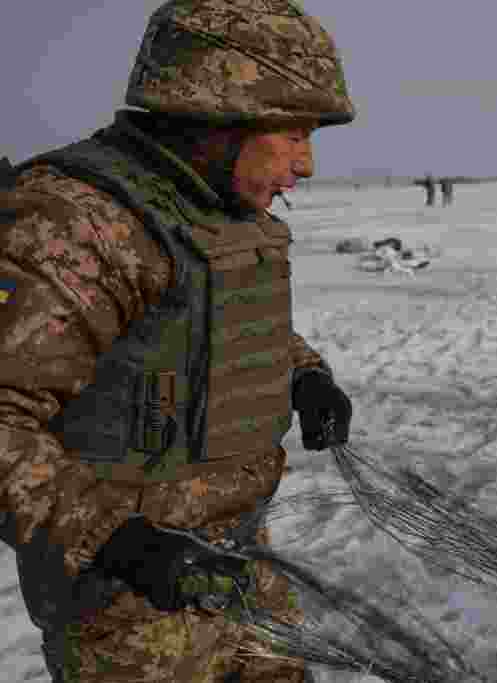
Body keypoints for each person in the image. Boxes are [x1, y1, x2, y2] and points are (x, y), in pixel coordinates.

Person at [0, 1, 357, 681]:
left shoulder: (212, 208)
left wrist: (303, 374)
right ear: (216, 119)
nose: (305, 164)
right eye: (294, 135)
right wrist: (114, 539)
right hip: (125, 603)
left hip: (238, 559)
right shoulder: (79, 224)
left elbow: (212, 322)